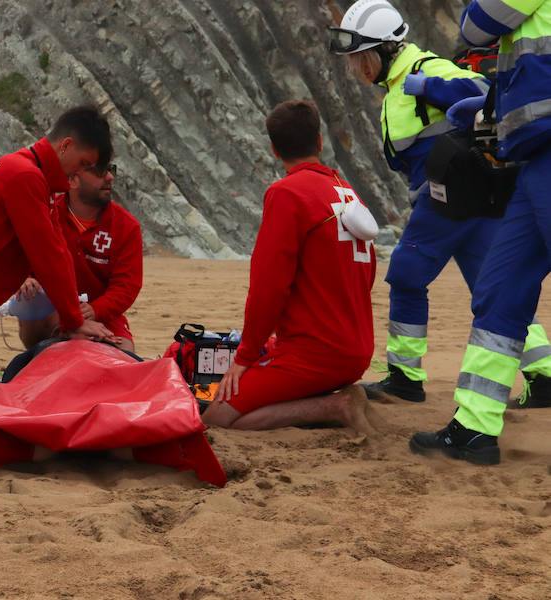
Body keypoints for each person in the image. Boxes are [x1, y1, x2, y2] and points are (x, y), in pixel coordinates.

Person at [328, 0, 551, 404]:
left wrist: (431, 88)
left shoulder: (421, 69)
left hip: (447, 198)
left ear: (384, 50)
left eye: (361, 57)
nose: (356, 67)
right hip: (465, 202)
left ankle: (404, 376)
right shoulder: (398, 84)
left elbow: (481, 91)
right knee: (500, 287)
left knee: (406, 274)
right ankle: (544, 373)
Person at [410, 0, 551, 464]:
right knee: (500, 289)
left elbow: (476, 26)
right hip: (535, 160)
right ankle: (474, 427)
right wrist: (493, 107)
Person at [201, 100, 380, 433]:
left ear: (273, 149)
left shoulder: (286, 193)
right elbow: (367, 273)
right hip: (358, 348)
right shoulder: (345, 190)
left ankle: (335, 405)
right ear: (320, 141)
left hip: (315, 354)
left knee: (218, 418)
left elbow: (269, 287)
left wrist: (245, 357)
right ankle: (332, 398)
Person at [0, 105, 116, 382]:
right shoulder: (25, 176)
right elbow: (47, 257)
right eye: (83, 164)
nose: (80, 175)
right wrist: (74, 322)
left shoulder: (37, 177)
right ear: (66, 146)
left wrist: (73, 318)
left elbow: (58, 253)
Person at [16, 161, 143, 353]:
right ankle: (38, 352)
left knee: (124, 357)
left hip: (102, 316)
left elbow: (126, 287)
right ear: (72, 179)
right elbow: (21, 259)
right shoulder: (45, 215)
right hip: (53, 313)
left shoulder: (127, 226)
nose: (110, 177)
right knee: (30, 299)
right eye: (100, 171)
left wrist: (94, 310)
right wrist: (25, 279)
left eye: (111, 169)